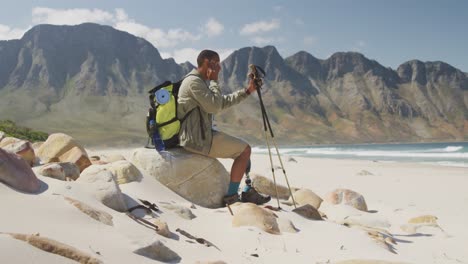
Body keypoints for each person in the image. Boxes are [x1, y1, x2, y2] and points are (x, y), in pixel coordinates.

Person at [177, 49, 271, 205]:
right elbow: (214, 106)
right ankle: (232, 196)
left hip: (201, 135)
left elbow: (220, 102)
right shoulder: (194, 82)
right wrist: (214, 80)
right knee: (245, 150)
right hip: (197, 140)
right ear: (207, 63)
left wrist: (247, 91)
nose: (220, 68)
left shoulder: (198, 81)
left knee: (242, 150)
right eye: (217, 63)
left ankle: (247, 190)